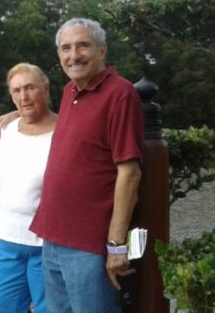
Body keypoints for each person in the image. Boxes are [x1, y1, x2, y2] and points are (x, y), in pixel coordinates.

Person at [29, 18, 144, 312]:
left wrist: (116, 244)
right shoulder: (71, 91)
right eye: (66, 48)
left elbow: (130, 173)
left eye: (83, 46)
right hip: (53, 236)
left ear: (101, 50)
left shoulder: (120, 93)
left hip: (89, 244)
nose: (74, 55)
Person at [0, 63, 57, 313]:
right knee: (2, 306)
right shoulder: (7, 129)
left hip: (46, 244)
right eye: (16, 91)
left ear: (45, 89)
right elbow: (3, 184)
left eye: (30, 88)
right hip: (8, 240)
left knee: (48, 308)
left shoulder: (64, 130)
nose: (23, 96)